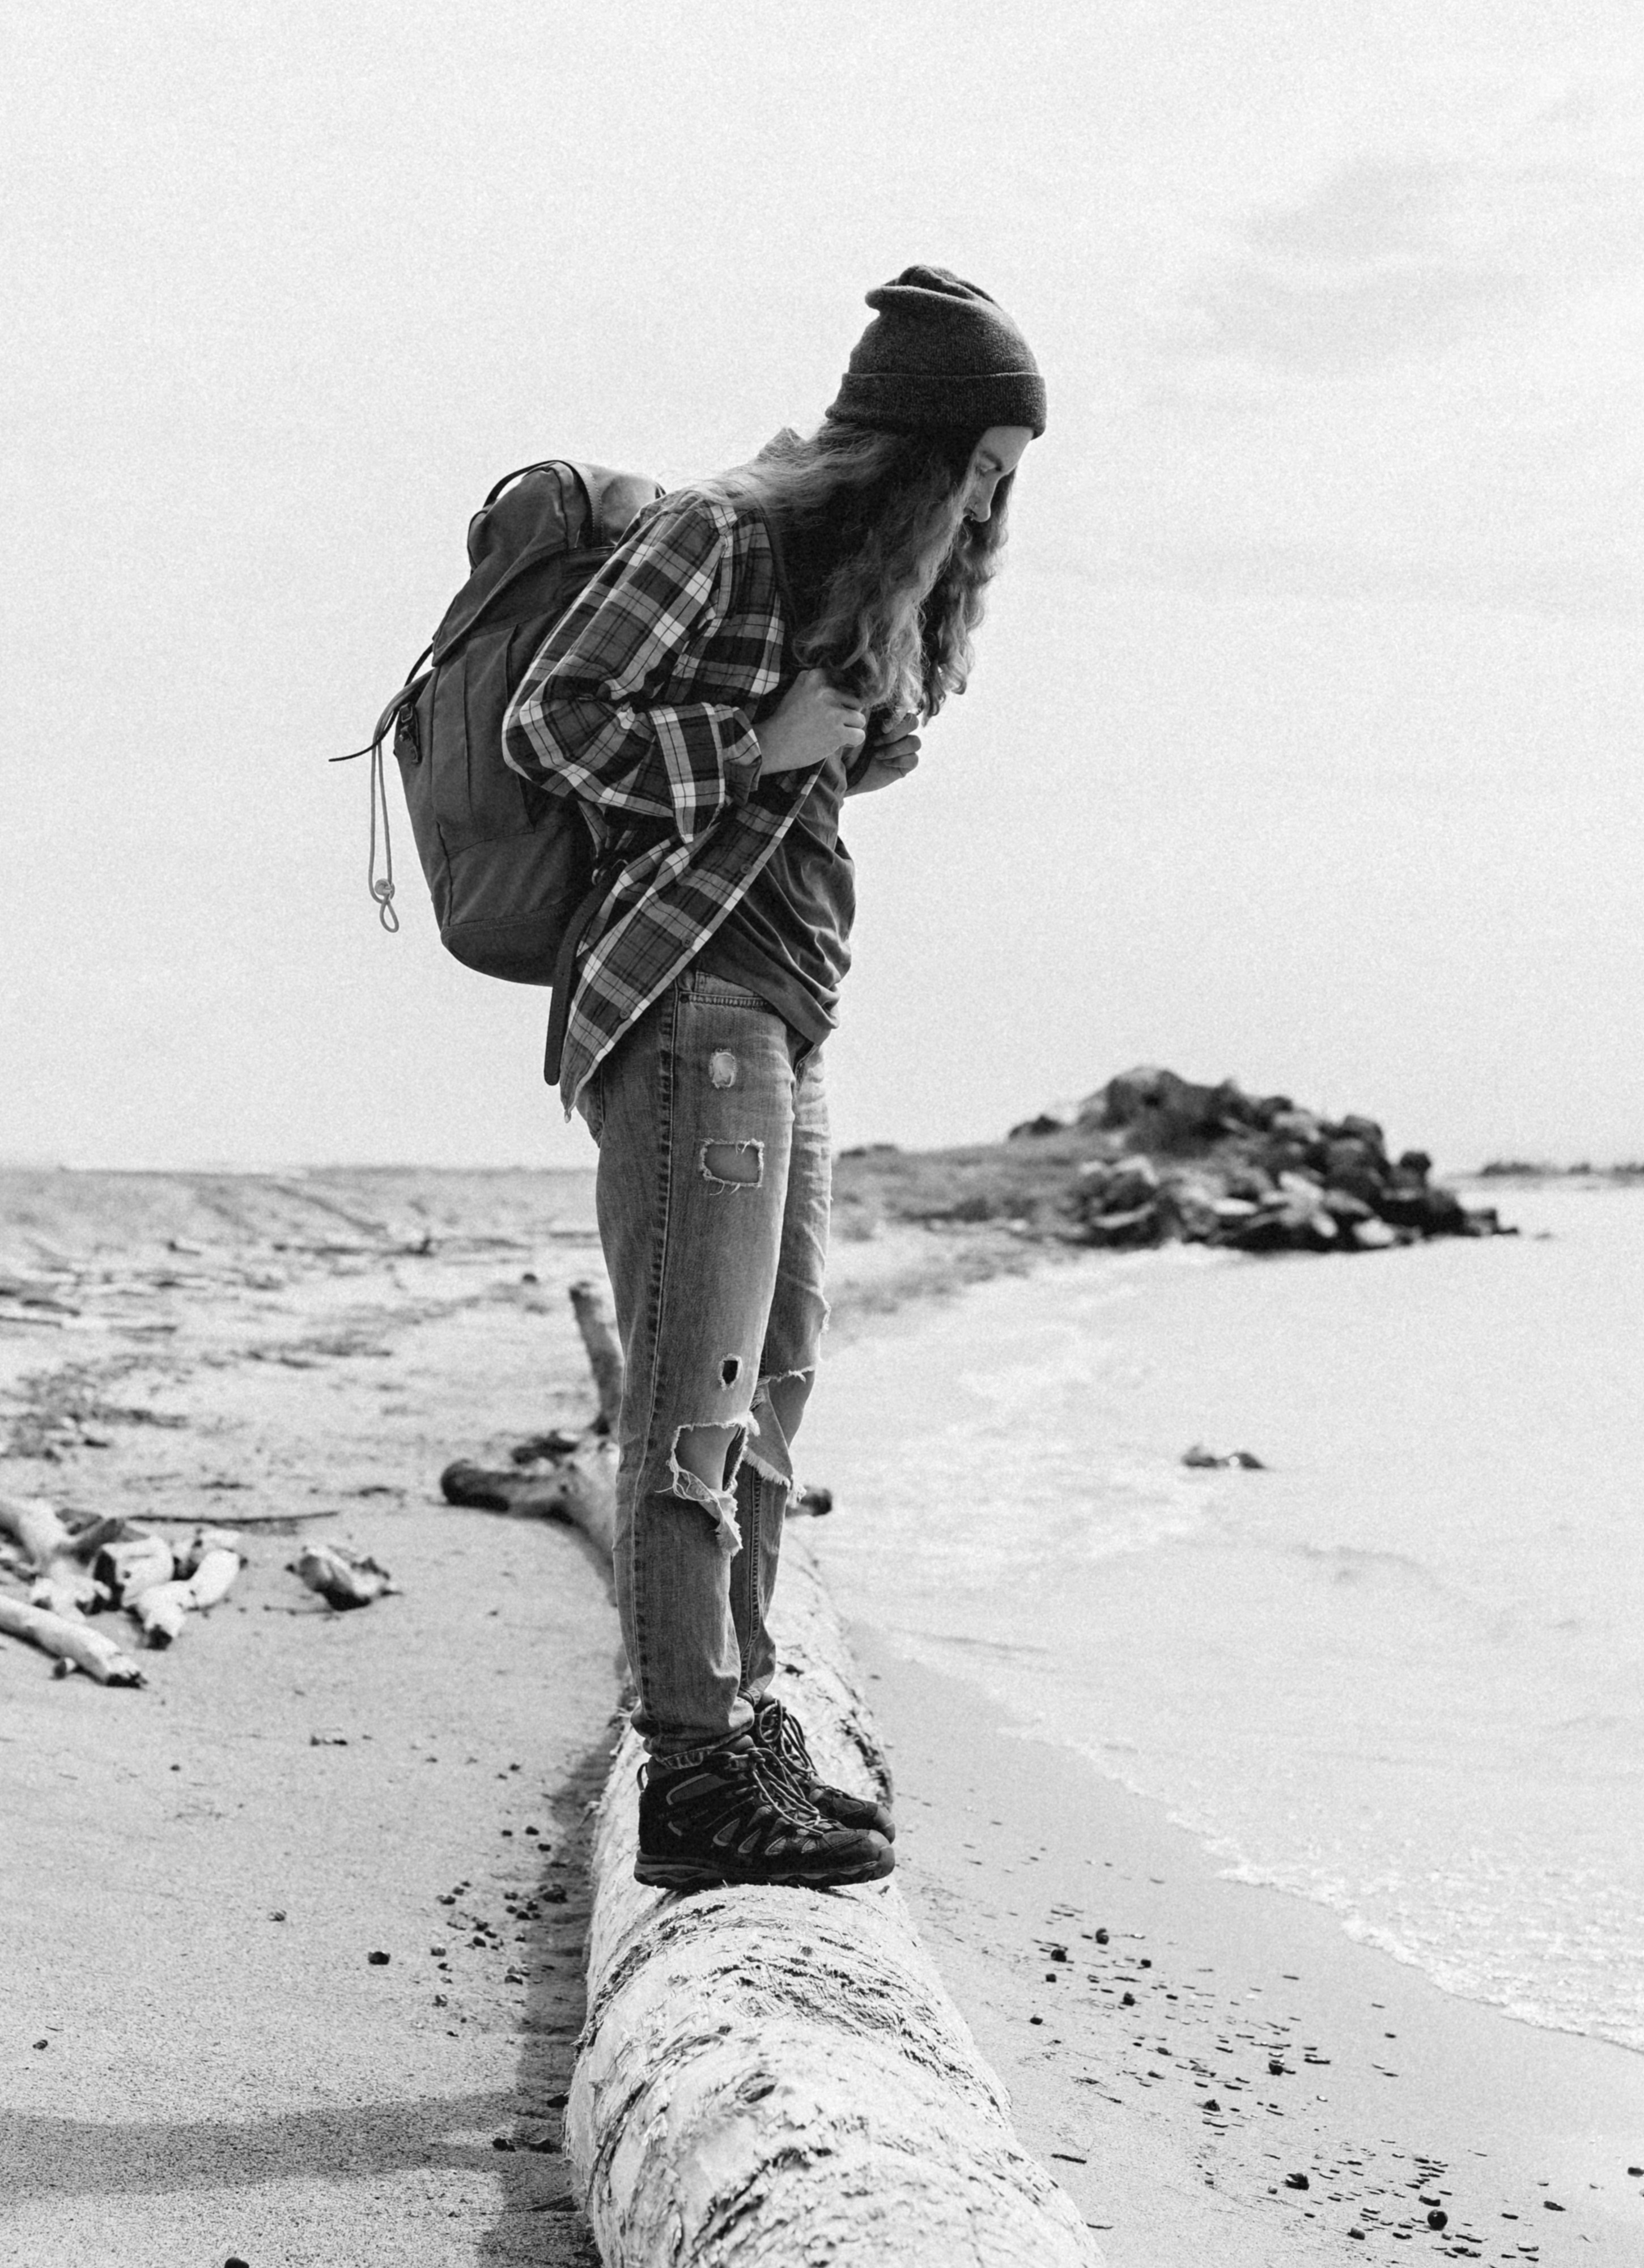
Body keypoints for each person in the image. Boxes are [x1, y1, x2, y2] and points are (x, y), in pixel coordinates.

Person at [503, 266, 1043, 1890]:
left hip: (789, 1010)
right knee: (692, 1399)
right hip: (691, 1002)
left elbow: (826, 756)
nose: (993, 505)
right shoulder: (723, 531)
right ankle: (689, 1776)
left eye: (1009, 477)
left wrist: (864, 728)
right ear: (911, 448)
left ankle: (741, 1723)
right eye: (980, 469)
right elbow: (553, 722)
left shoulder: (858, 575)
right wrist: (755, 746)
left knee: (777, 1384)